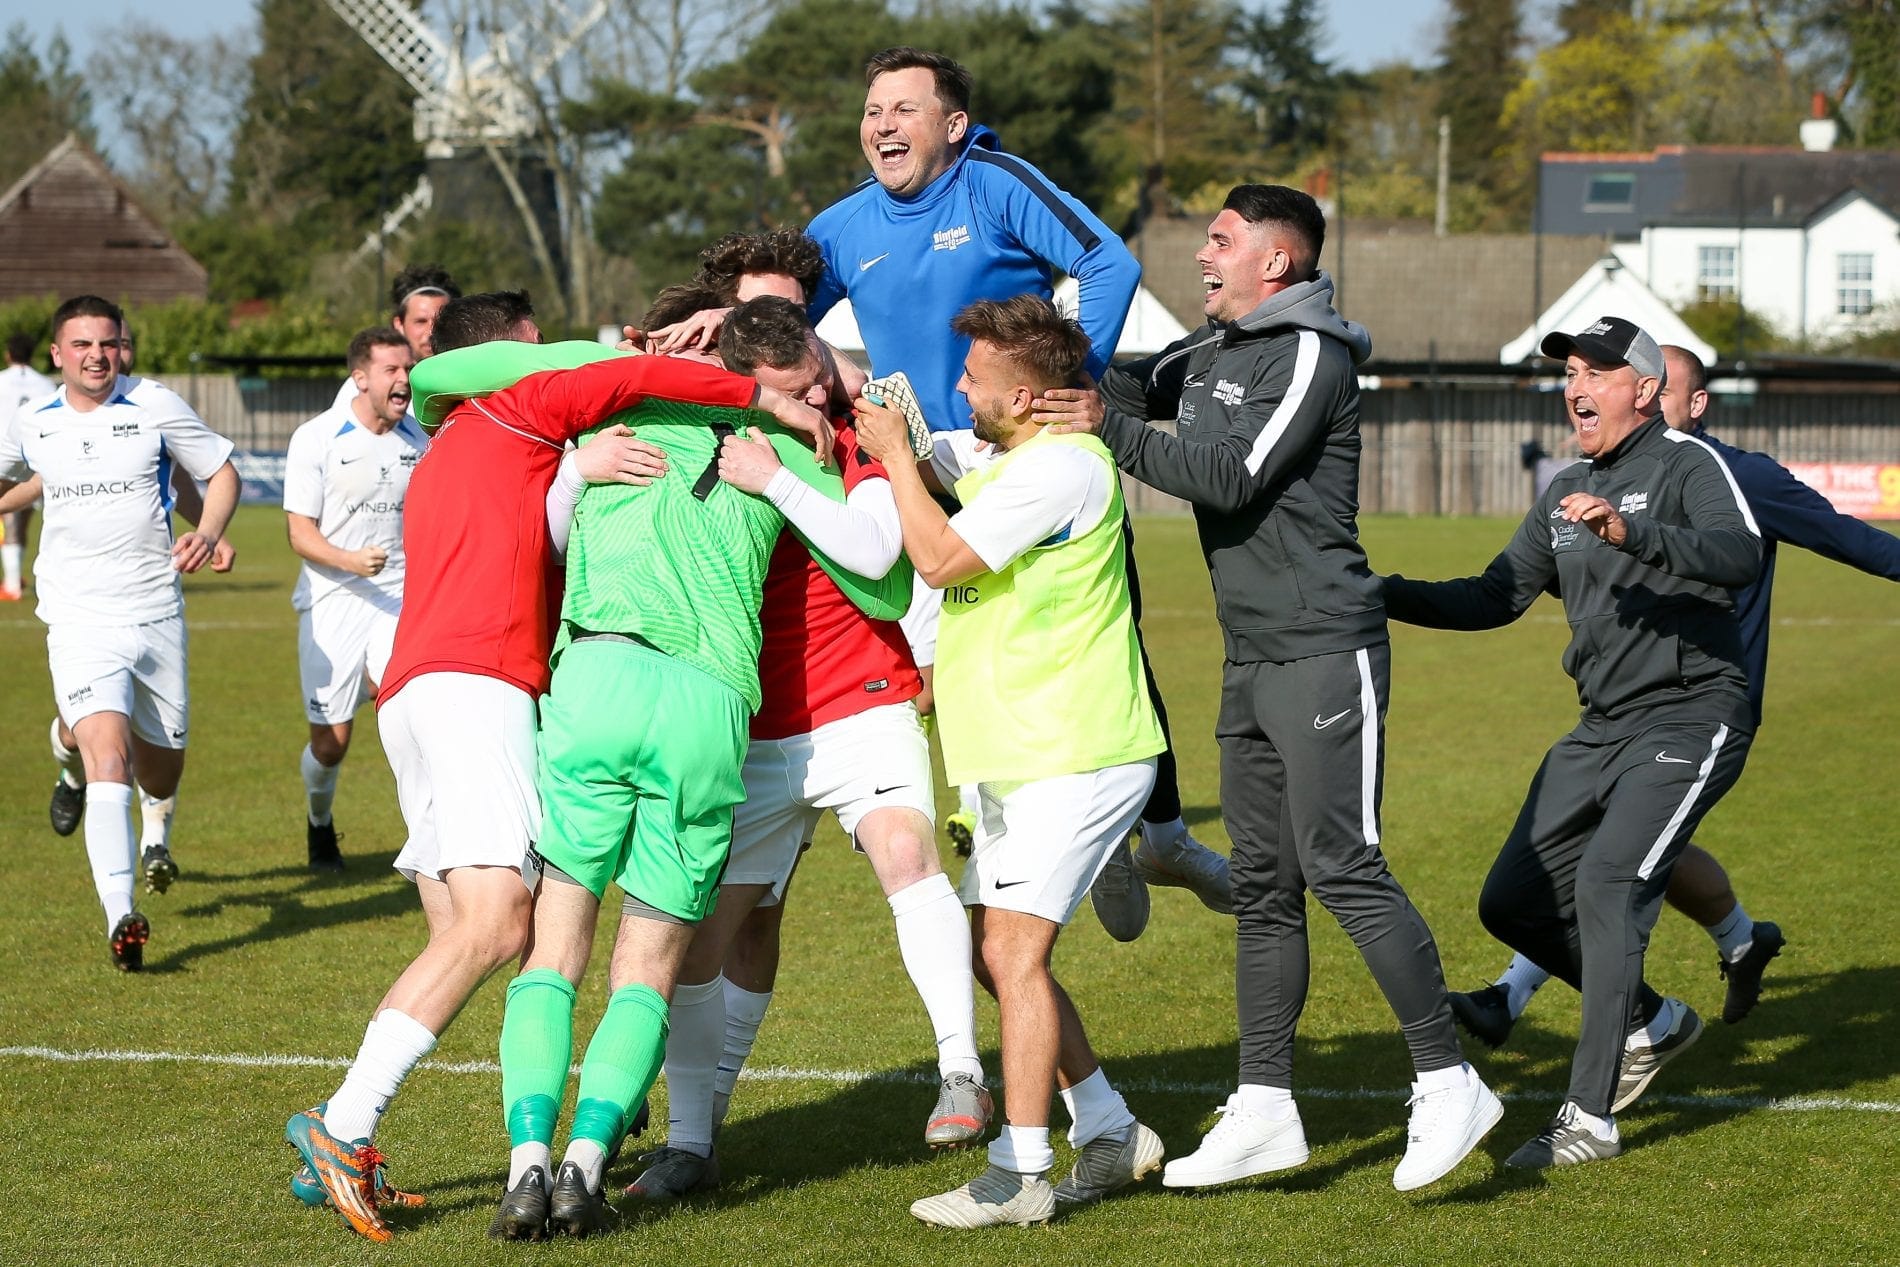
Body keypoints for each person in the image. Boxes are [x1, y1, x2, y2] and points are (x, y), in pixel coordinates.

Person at [284, 290, 826, 1243]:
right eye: (539, 351)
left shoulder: (454, 432)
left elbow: (530, 498)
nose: (562, 364)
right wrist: (768, 398)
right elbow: (627, 375)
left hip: (417, 685)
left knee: (489, 929)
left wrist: (575, 472)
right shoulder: (533, 404)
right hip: (488, 678)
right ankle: (349, 1124)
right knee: (509, 927)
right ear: (510, 360)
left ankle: (487, 1149)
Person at [1033, 184, 1498, 1193]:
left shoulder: (1313, 356)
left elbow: (1232, 473)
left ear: (1274, 261)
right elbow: (1118, 388)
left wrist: (1105, 426)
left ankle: (1449, 1078)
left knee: (1344, 865)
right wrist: (1038, 351)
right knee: (1262, 885)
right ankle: (1266, 1106)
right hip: (1249, 656)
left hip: (1325, 646)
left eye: (1220, 239)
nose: (1202, 253)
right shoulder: (1205, 351)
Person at [801, 44, 1226, 925]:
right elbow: (775, 323)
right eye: (873, 110)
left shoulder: (994, 182)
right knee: (949, 659)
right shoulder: (840, 226)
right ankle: (1000, 832)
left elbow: (1108, 263)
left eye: (905, 109)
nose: (883, 125)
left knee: (1099, 642)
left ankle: (1160, 832)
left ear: (954, 125)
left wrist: (1073, 383)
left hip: (1021, 451)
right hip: (918, 461)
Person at [471, 310, 842, 1242]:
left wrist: (579, 458)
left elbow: (482, 409)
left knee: (555, 947)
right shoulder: (781, 450)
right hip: (706, 707)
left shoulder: (611, 420)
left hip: (595, 677)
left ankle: (526, 1163)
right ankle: (587, 1166)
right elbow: (877, 563)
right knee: (647, 965)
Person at [623, 298, 986, 1204]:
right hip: (751, 726)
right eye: (795, 388)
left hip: (862, 703)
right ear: (746, 386)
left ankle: (961, 1071)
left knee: (906, 850)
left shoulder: (857, 432)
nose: (817, 396)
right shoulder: (701, 428)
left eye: (818, 376)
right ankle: (691, 1141)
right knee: (698, 941)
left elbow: (874, 551)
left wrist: (775, 477)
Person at [1382, 316, 1763, 1168]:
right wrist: (1379, 592)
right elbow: (1494, 596)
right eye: (1569, 374)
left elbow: (1740, 553)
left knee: (1607, 884)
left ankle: (1590, 1118)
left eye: (1596, 371)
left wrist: (1634, 534)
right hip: (1599, 727)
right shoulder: (1565, 489)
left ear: (1646, 389)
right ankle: (1653, 1020)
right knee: (1509, 901)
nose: (1577, 387)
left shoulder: (1687, 463)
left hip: (1690, 713)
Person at [1451, 342, 1884, 1043]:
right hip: (1626, 704)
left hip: (1703, 707)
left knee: (1609, 866)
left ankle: (1535, 1003)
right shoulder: (1612, 477)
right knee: (1633, 851)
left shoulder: (1736, 476)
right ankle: (1741, 940)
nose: (1641, 402)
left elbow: (1846, 538)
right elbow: (1542, 581)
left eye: (1662, 391)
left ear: (1690, 401)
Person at [853, 295, 1165, 1229]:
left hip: (1076, 750)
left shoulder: (1060, 469)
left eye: (975, 378)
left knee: (1012, 953)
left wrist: (896, 461)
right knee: (995, 955)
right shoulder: (1006, 456)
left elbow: (941, 558)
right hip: (1020, 753)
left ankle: (1019, 1172)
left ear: (1025, 397)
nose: (959, 388)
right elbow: (934, 450)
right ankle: (1108, 1127)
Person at [0, 295, 239, 970]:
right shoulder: (33, 421)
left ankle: (63, 744)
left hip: (155, 612)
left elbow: (220, 472)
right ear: (57, 354)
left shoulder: (154, 404)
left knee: (161, 770)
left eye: (107, 343)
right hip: (78, 616)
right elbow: (26, 479)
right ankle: (121, 916)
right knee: (112, 759)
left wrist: (208, 531)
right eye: (81, 345)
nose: (96, 355)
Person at [282, 327, 425, 871]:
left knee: (412, 716)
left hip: (399, 599)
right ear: (360, 378)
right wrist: (348, 560)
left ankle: (430, 843)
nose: (404, 379)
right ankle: (319, 822)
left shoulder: (422, 437)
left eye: (408, 368)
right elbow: (300, 533)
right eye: (392, 370)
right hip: (333, 597)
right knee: (330, 744)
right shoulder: (317, 437)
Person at [331, 264, 459, 409]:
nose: (431, 332)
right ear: (399, 324)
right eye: (421, 321)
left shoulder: (468, 382)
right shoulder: (360, 389)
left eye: (441, 321)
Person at [0, 332, 54, 599]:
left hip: (6, 457)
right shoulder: (46, 384)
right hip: (36, 457)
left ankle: (11, 585)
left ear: (8, 354)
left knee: (9, 519)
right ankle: (14, 579)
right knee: (21, 522)